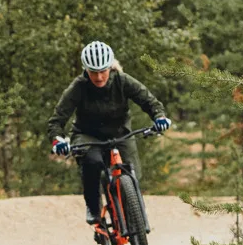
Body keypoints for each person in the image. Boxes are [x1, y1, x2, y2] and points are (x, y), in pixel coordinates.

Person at [47, 40, 172, 224]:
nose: (98, 77)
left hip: (120, 133)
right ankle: (93, 206)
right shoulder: (79, 87)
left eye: (103, 71)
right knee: (92, 162)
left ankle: (138, 224)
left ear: (110, 67)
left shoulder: (122, 81)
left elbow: (149, 101)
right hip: (88, 135)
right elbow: (57, 120)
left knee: (132, 172)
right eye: (93, 72)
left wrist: (159, 118)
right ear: (86, 70)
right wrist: (58, 140)